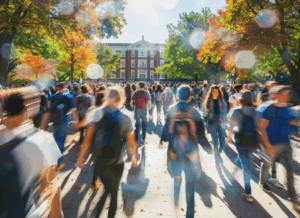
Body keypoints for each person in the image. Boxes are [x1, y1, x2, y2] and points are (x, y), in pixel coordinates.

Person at [76, 86, 138, 218]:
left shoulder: (96, 113)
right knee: (113, 192)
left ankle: (98, 214)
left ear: (106, 96)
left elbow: (87, 139)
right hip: (117, 159)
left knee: (107, 189)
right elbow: (130, 142)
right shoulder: (126, 116)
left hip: (99, 158)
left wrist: (81, 157)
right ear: (121, 98)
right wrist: (134, 157)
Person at [160, 85, 210, 218]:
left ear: (177, 96)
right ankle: (189, 214)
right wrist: (209, 148)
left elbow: (165, 134)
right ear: (190, 97)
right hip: (191, 152)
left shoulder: (171, 109)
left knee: (176, 172)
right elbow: (201, 135)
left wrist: (164, 139)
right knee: (190, 186)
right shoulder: (195, 112)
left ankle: (177, 178)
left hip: (174, 151)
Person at [258, 85, 300, 210]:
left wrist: (294, 124)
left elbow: (290, 122)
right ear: (274, 95)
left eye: (287, 94)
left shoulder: (287, 108)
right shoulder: (270, 109)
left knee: (289, 168)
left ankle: (292, 194)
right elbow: (262, 128)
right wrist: (267, 145)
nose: (286, 96)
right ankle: (263, 182)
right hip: (271, 143)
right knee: (266, 164)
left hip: (285, 143)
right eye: (283, 94)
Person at [226, 91, 260, 203]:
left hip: (241, 139)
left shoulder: (236, 110)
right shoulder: (256, 111)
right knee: (244, 158)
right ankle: (235, 167)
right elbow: (259, 126)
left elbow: (231, 125)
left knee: (246, 166)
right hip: (253, 141)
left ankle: (248, 191)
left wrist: (229, 137)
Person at [40, 82, 75, 171]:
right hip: (64, 122)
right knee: (61, 144)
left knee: (57, 142)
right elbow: (74, 110)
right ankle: (58, 164)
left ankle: (52, 161)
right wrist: (75, 121)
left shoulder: (53, 97)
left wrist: (43, 124)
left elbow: (48, 110)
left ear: (56, 88)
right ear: (65, 87)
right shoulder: (69, 97)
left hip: (55, 123)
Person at [204, 85, 228, 167]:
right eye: (214, 91)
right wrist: (206, 113)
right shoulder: (208, 101)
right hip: (212, 123)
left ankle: (218, 152)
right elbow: (205, 114)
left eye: (217, 91)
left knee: (222, 143)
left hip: (221, 123)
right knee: (215, 142)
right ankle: (216, 159)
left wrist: (225, 120)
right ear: (211, 92)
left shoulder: (222, 100)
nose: (216, 93)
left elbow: (225, 111)